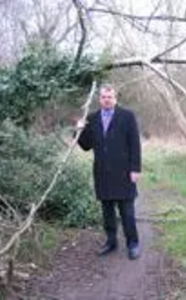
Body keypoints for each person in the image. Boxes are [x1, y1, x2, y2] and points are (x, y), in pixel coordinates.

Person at [75, 85, 142, 260]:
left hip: (124, 173)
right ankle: (111, 242)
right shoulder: (92, 118)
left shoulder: (127, 116)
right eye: (104, 97)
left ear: (115, 98)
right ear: (99, 98)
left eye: (110, 97)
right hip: (102, 173)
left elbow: (135, 144)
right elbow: (85, 146)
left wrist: (135, 169)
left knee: (127, 212)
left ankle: (133, 244)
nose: (107, 99)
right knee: (107, 213)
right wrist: (79, 130)